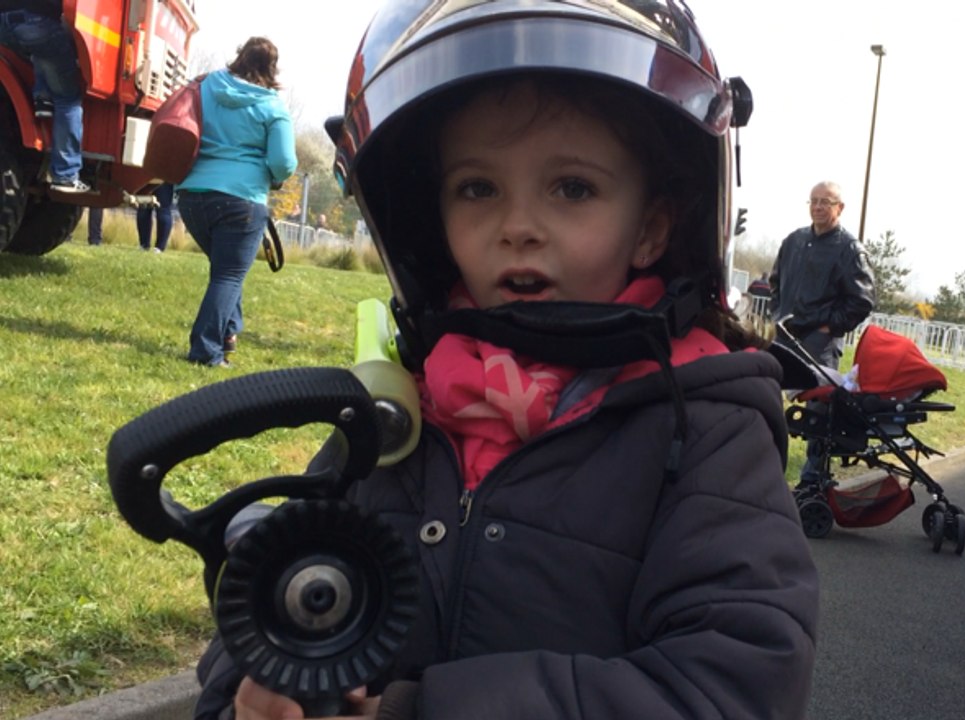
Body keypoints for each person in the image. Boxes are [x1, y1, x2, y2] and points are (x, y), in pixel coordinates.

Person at [192, 2, 818, 719]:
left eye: (572, 188)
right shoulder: (399, 410)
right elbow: (260, 614)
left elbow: (736, 684)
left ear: (649, 230)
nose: (517, 227)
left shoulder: (705, 427)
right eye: (478, 188)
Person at [177, 37, 296, 368]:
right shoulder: (273, 107)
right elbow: (284, 162)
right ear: (272, 68)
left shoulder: (206, 85)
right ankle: (205, 350)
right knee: (228, 275)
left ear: (239, 56)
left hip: (192, 196)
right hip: (241, 201)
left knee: (226, 270)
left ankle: (229, 334)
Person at [770, 180, 875, 486]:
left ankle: (813, 481)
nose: (817, 207)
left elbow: (862, 301)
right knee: (768, 404)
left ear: (839, 208)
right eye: (813, 201)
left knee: (820, 416)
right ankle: (768, 472)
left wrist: (827, 326)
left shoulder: (850, 250)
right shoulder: (793, 241)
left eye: (825, 202)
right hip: (784, 339)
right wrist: (779, 314)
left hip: (821, 343)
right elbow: (775, 283)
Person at [0, 0, 88, 192]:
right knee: (68, 99)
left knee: (40, 49)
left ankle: (42, 97)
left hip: (5, 23)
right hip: (39, 22)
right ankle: (65, 175)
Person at [136, 183, 173, 252]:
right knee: (163, 210)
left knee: (143, 208)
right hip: (165, 178)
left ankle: (144, 245)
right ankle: (159, 247)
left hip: (145, 176)